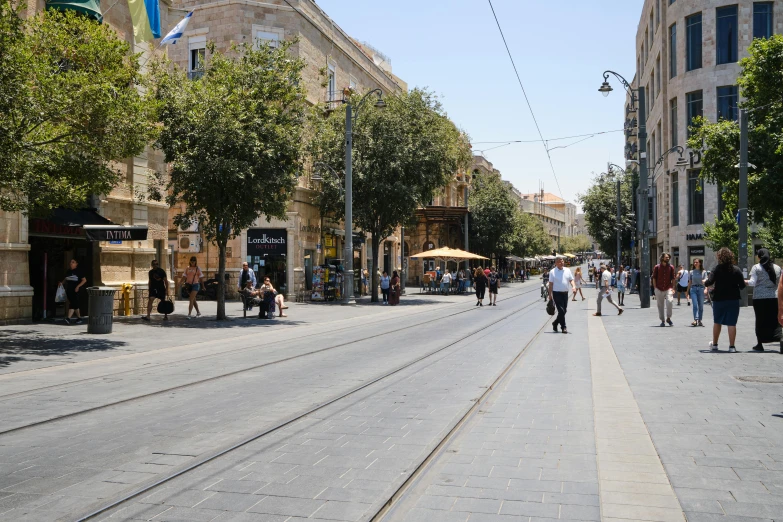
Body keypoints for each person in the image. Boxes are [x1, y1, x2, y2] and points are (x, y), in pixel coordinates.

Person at [705, 247, 746, 352]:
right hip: (733, 299)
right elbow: (742, 285)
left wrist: (704, 281)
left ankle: (715, 344)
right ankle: (732, 347)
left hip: (719, 299)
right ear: (731, 256)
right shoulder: (736, 269)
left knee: (717, 321)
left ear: (719, 257)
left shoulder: (717, 269)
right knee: (732, 323)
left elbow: (708, 282)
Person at [746, 248, 782, 352]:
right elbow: (779, 283)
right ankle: (780, 339)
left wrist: (744, 282)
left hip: (759, 299)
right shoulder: (777, 267)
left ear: (759, 256)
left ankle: (760, 343)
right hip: (774, 297)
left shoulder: (756, 267)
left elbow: (752, 282)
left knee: (760, 320)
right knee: (775, 320)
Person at [548, 256, 576, 333]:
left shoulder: (567, 270)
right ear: (556, 263)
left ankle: (555, 323)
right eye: (560, 262)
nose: (562, 263)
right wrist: (549, 295)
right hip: (556, 293)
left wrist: (573, 286)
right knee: (561, 311)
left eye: (562, 261)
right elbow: (550, 284)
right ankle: (563, 327)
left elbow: (571, 280)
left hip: (565, 293)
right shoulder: (552, 272)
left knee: (564, 311)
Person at [652, 252, 675, 326]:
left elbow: (673, 278)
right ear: (662, 258)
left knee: (670, 301)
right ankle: (662, 320)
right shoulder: (657, 267)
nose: (667, 258)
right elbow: (654, 278)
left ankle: (668, 317)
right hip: (659, 288)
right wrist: (655, 288)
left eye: (668, 257)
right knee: (660, 305)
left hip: (668, 288)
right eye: (666, 257)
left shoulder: (671, 267)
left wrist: (673, 288)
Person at [61, 258, 87, 324]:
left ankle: (68, 318)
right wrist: (61, 283)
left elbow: (84, 280)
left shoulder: (79, 271)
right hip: (69, 290)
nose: (71, 263)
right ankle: (79, 318)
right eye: (70, 262)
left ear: (76, 264)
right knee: (75, 304)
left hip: (76, 290)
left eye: (73, 262)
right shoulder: (68, 271)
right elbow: (65, 279)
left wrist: (78, 286)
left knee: (73, 303)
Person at [687, 259, 706, 327]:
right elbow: (690, 282)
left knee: (701, 306)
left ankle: (700, 320)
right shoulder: (691, 272)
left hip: (701, 288)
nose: (695, 263)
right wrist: (687, 291)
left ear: (700, 263)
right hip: (693, 289)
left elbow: (706, 280)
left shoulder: (703, 272)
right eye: (694, 262)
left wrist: (706, 288)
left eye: (697, 262)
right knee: (695, 305)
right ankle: (695, 319)